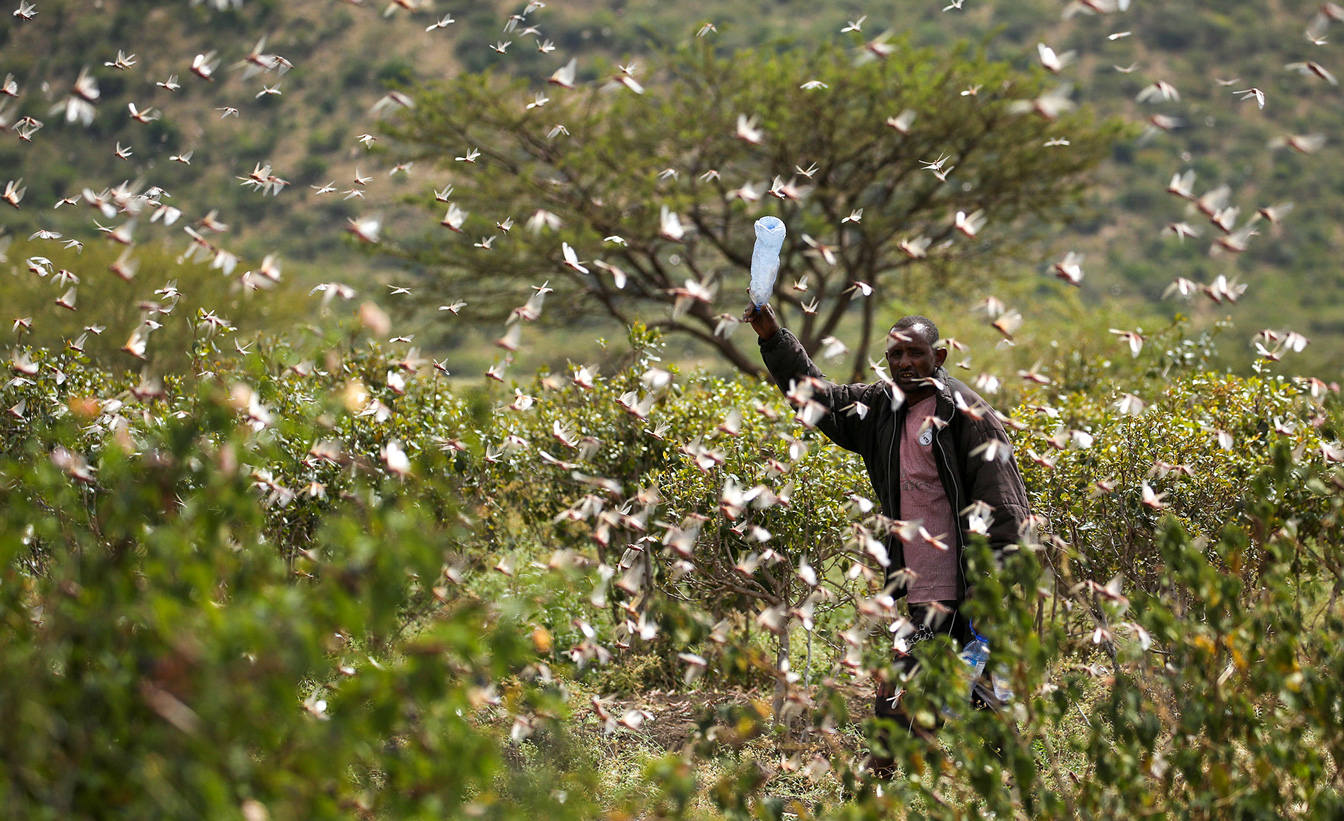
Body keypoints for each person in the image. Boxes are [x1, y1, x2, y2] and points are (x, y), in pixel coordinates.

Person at [742, 301, 1030, 771]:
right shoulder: (882, 406)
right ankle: (1013, 785)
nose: (904, 364)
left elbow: (1001, 500)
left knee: (902, 695)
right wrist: (773, 336)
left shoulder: (966, 415)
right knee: (977, 695)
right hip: (916, 585)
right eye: (895, 355)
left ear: (938, 357)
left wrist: (991, 580)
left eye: (914, 354)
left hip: (966, 586)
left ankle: (882, 785)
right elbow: (821, 400)